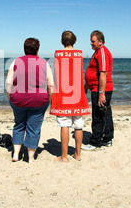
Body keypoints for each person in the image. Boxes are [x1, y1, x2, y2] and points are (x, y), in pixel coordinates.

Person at [6, 38, 54, 163]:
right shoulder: (44, 63)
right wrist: (50, 99)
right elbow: (50, 85)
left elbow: (8, 82)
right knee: (34, 127)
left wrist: (10, 97)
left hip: (18, 99)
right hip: (39, 100)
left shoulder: (16, 61)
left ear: (24, 49)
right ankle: (30, 157)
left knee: (19, 125)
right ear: (37, 49)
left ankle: (16, 154)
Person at [50, 31, 91, 162]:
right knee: (78, 125)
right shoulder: (79, 55)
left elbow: (57, 75)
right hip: (77, 94)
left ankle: (63, 157)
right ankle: (78, 154)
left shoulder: (58, 55)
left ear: (62, 41)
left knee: (64, 125)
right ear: (74, 41)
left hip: (63, 94)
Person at [83, 30, 114, 150]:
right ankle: (107, 138)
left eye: (93, 41)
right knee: (105, 113)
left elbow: (103, 74)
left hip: (101, 90)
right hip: (96, 88)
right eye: (91, 41)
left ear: (100, 41)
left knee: (98, 115)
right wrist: (87, 85)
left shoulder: (102, 52)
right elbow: (94, 72)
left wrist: (101, 93)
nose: (91, 43)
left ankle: (95, 142)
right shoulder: (97, 52)